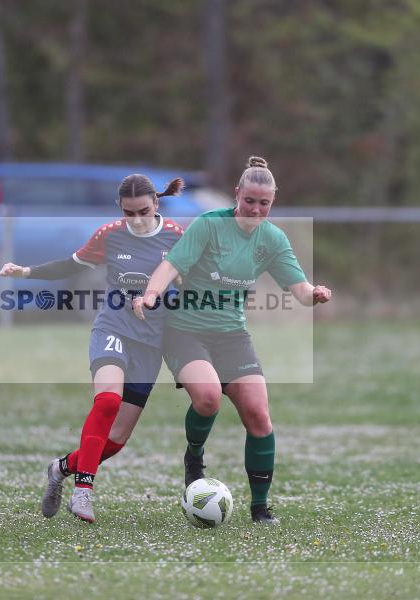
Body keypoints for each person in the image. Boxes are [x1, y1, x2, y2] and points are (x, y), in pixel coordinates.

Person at [133, 156, 332, 525]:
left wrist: (314, 293)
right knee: (208, 398)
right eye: (250, 200)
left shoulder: (272, 238)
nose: (256, 209)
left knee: (258, 415)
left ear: (273, 202)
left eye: (265, 203)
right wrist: (150, 293)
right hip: (186, 331)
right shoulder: (210, 225)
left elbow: (299, 289)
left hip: (231, 335)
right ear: (237, 194)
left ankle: (260, 507)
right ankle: (194, 456)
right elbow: (171, 265)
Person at [0, 174, 184, 522]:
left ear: (157, 204)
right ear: (120, 209)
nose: (138, 219)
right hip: (113, 327)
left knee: (115, 440)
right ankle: (83, 492)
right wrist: (24, 272)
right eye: (130, 213)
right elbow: (70, 265)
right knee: (108, 400)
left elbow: (192, 280)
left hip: (151, 343)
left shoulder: (176, 236)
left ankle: (60, 468)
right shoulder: (109, 235)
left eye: (144, 211)